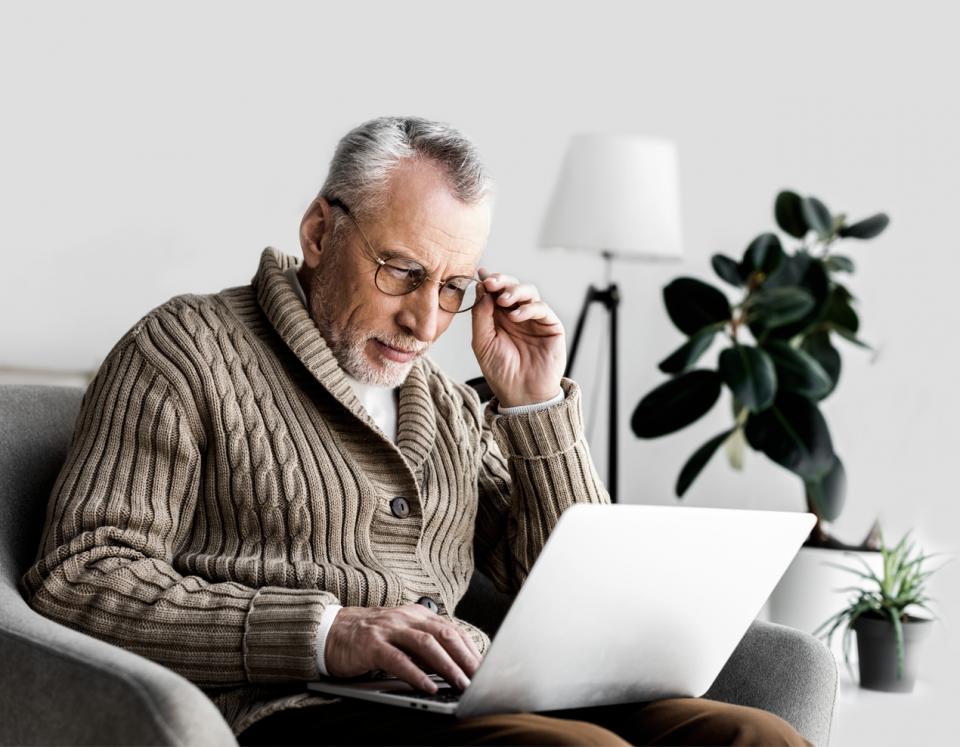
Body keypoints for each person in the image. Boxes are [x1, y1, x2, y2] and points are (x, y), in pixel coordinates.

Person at [22, 116, 811, 746]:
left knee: (754, 735)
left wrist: (535, 405)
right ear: (320, 232)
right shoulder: (184, 349)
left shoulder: (447, 403)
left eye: (454, 286)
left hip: (463, 698)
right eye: (401, 272)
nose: (426, 321)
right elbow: (81, 574)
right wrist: (326, 632)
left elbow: (572, 591)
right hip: (294, 711)